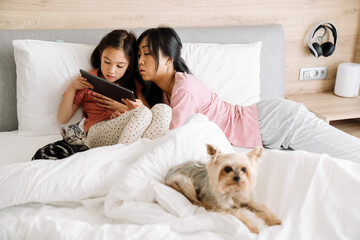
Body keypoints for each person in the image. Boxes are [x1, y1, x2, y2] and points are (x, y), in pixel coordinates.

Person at [136, 27, 360, 163]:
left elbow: (172, 138)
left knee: (350, 154)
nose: (140, 61)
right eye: (138, 54)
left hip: (275, 122)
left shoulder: (183, 87)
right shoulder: (166, 92)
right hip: (265, 126)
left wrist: (141, 107)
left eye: (147, 54)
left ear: (168, 59)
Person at [58, 29, 171, 148]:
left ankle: (146, 156)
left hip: (128, 133)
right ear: (101, 55)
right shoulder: (87, 80)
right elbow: (62, 118)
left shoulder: (132, 83)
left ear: (129, 65)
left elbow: (149, 114)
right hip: (95, 132)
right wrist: (73, 87)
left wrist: (127, 108)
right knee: (142, 113)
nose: (111, 70)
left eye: (119, 66)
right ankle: (121, 157)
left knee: (163, 109)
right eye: (107, 62)